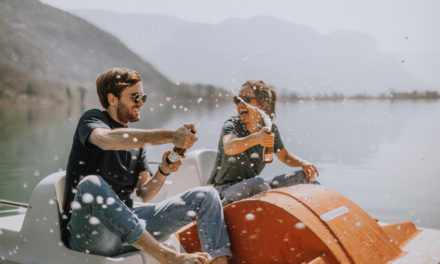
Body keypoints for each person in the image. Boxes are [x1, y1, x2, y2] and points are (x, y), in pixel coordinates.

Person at [62, 68, 231, 264]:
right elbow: (106, 140)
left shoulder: (136, 144)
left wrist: (164, 170)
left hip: (127, 228)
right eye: (135, 97)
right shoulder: (92, 120)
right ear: (112, 99)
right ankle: (167, 257)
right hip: (92, 234)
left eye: (143, 96)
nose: (140, 103)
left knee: (206, 196)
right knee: (91, 184)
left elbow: (145, 193)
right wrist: (171, 135)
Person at [207, 80, 319, 205]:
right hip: (223, 192)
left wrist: (303, 163)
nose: (240, 104)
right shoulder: (232, 125)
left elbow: (285, 157)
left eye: (246, 99)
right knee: (258, 183)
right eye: (237, 99)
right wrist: (256, 138)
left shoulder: (270, 129)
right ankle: (275, 213)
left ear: (262, 104)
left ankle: (319, 216)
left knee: (304, 177)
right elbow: (229, 146)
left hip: (254, 188)